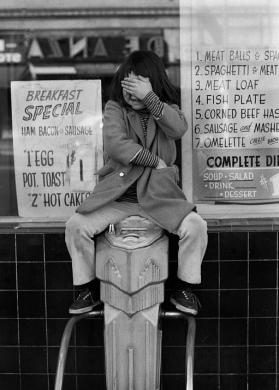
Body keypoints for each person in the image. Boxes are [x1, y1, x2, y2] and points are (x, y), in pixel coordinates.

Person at [65, 50, 208, 316]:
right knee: (76, 226)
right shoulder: (115, 109)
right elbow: (116, 145)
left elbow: (177, 129)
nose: (131, 93)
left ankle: (185, 288)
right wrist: (154, 161)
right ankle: (86, 289)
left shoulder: (167, 110)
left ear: (153, 84)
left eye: (137, 85)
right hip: (117, 200)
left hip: (158, 199)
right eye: (126, 85)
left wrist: (150, 98)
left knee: (195, 227)